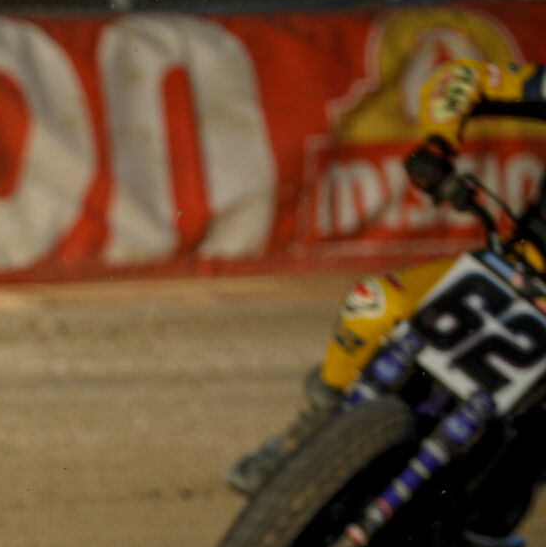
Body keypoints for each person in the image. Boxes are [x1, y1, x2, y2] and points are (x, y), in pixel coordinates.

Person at [223, 57, 546, 495]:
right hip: (513, 268)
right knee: (371, 303)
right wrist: (439, 145)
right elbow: (460, 77)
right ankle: (310, 430)